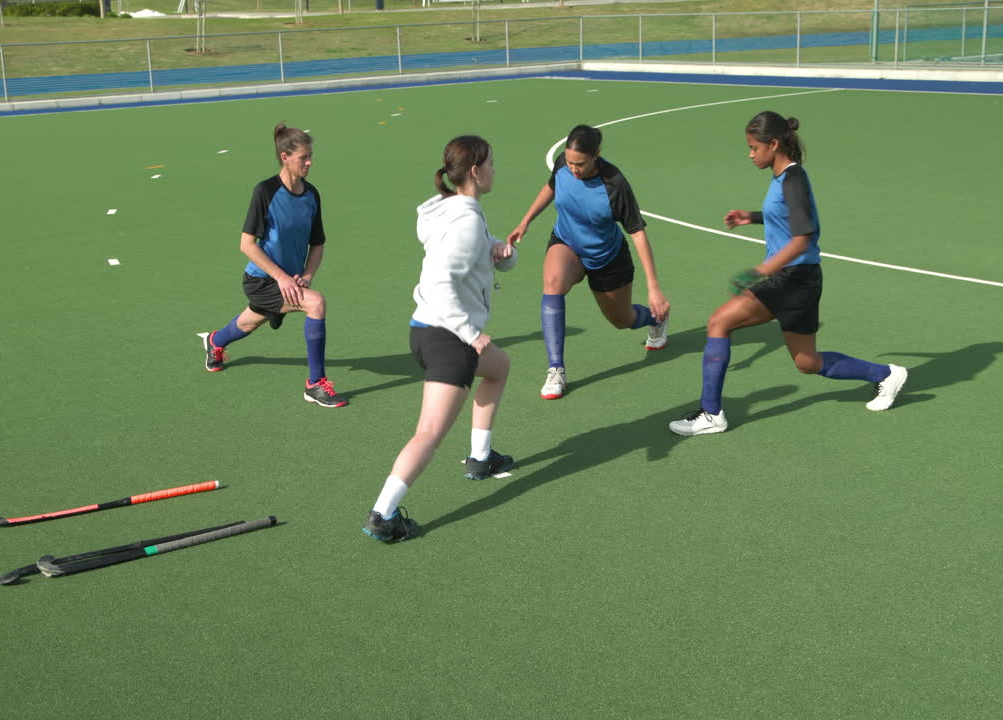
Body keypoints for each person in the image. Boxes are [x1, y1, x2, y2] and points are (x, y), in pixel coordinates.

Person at [668, 111, 907, 437]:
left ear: (774, 144)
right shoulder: (784, 178)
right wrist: (750, 216)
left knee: (719, 322)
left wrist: (762, 269)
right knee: (807, 362)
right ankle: (886, 374)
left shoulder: (793, 179)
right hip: (801, 279)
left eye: (754, 147)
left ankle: (711, 414)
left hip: (792, 278)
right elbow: (786, 217)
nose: (750, 154)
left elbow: (803, 235)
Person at [363, 135, 517, 543]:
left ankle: (480, 459)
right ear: (474, 171)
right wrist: (471, 333)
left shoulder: (454, 210)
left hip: (424, 331)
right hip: (450, 339)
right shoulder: (466, 221)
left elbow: (474, 254)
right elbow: (439, 282)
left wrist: (501, 253)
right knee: (428, 433)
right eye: (491, 163)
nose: (495, 169)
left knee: (499, 367)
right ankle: (383, 514)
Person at [507, 124, 670, 401]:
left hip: (607, 258)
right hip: (567, 242)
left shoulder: (615, 184)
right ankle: (556, 368)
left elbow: (638, 233)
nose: (573, 169)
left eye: (580, 164)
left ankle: (657, 319)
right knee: (552, 283)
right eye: (569, 162)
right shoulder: (563, 164)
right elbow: (551, 186)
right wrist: (526, 220)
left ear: (597, 155)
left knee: (622, 320)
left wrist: (654, 288)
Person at [202, 123, 348, 408]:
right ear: (285, 157)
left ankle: (215, 341)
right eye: (303, 157)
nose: (310, 162)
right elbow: (247, 244)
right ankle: (315, 384)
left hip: (290, 280)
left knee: (248, 322)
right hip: (263, 280)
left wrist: (306, 275)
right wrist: (282, 278)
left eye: (310, 155)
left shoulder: (311, 195)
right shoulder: (265, 192)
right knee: (316, 304)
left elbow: (317, 243)